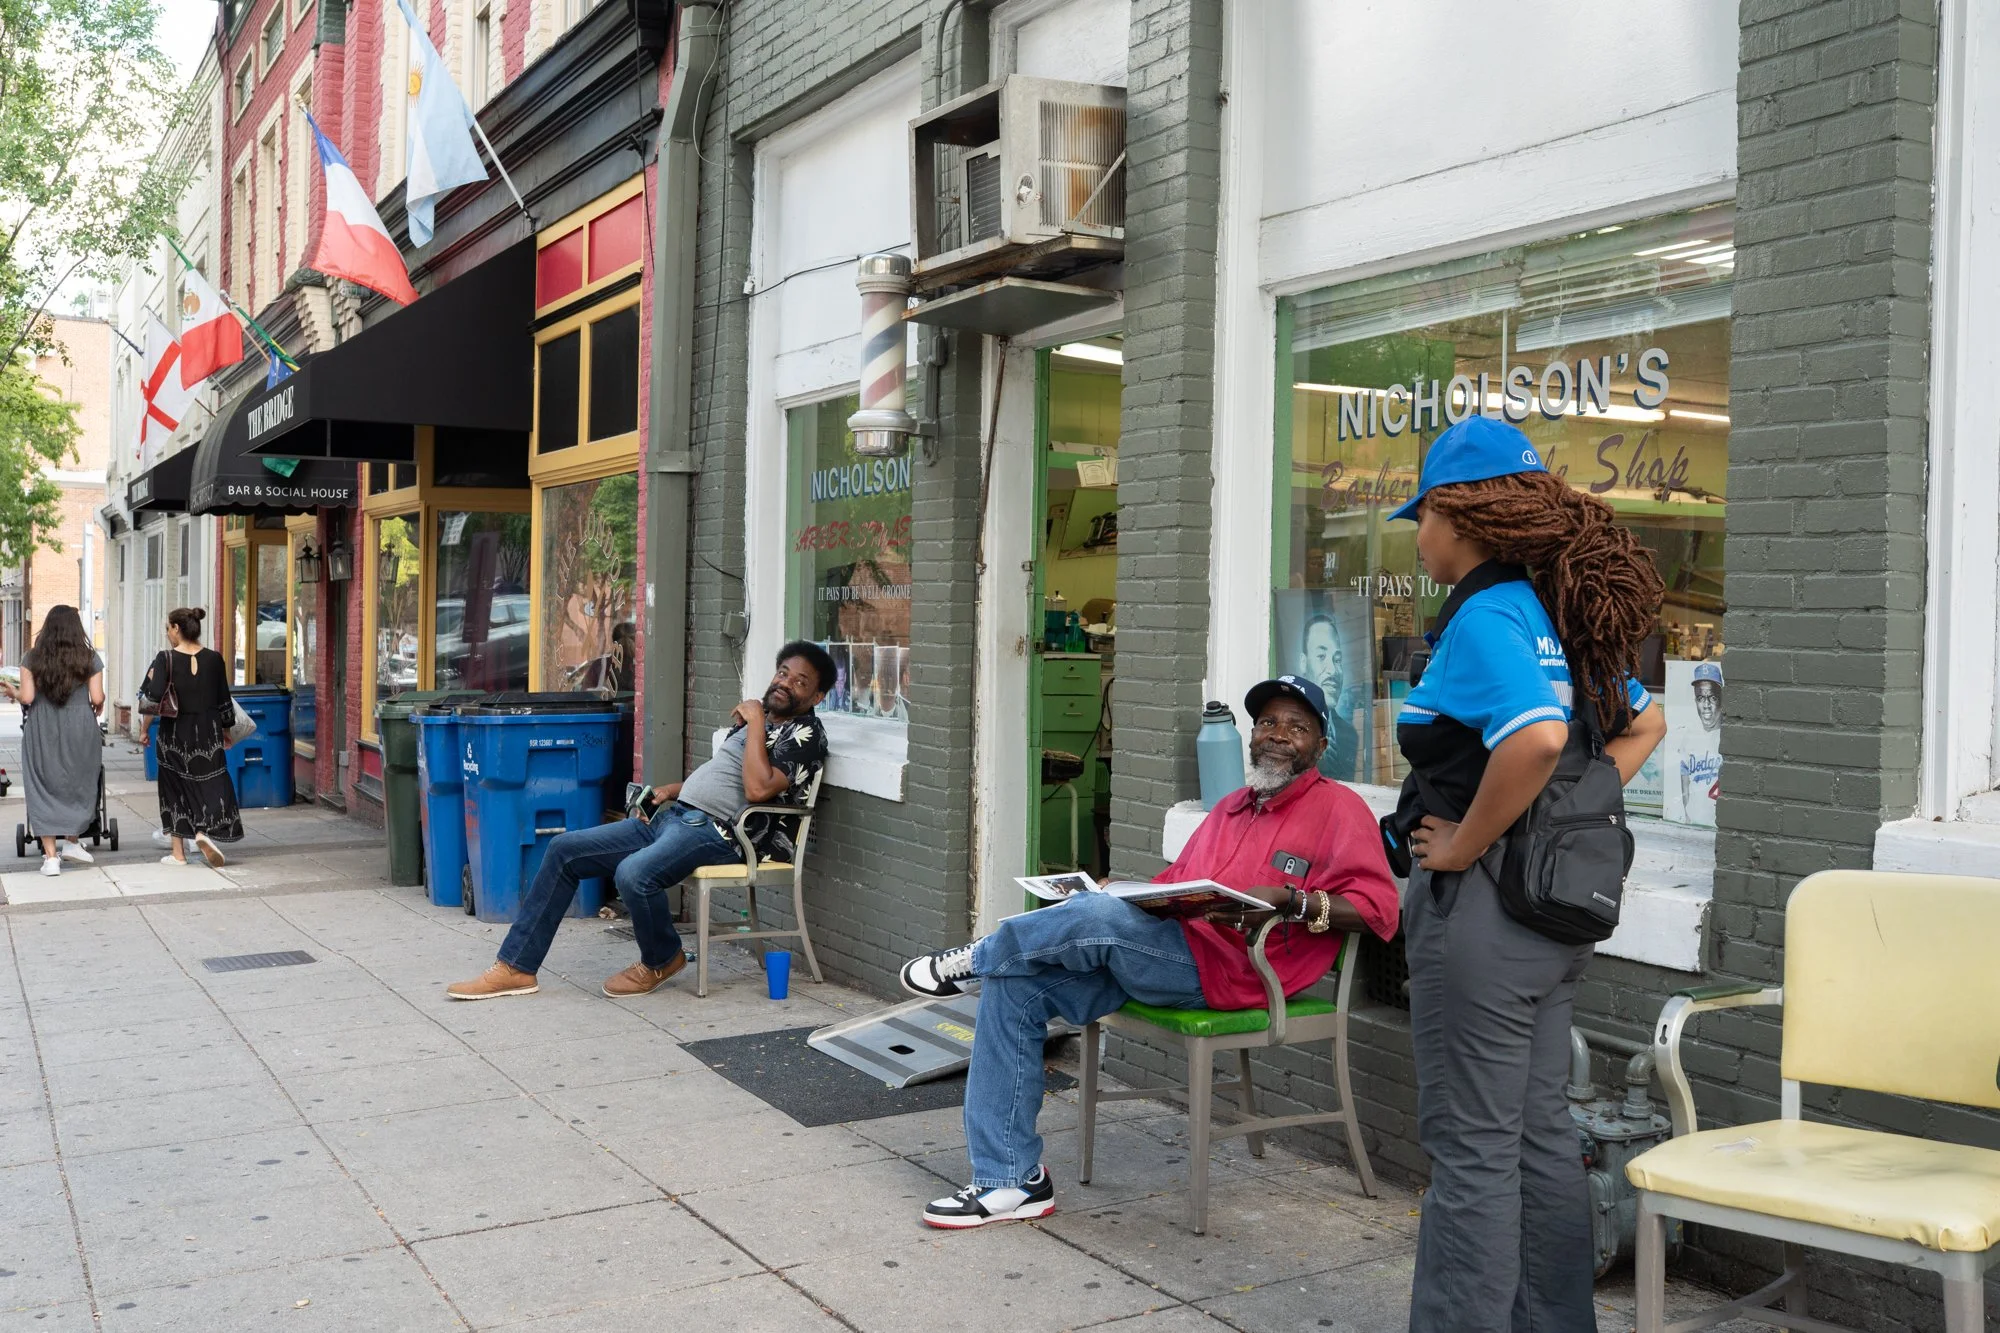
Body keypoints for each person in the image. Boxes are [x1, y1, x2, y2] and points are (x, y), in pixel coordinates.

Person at [898, 677, 1399, 1228]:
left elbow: (1378, 913)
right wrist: (1125, 892)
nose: (1279, 735)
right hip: (1167, 955)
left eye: (1297, 727)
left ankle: (979, 955)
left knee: (1094, 920)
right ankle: (1011, 1182)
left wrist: (1290, 900)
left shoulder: (1339, 809)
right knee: (1016, 988)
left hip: (1238, 974)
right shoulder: (1231, 806)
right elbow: (1176, 887)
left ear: (1320, 746)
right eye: (1268, 723)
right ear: (1252, 735)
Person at [1384, 416, 1666, 1332]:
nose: (1415, 533)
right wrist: (1555, 819)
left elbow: (1540, 739)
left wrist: (1467, 843)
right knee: (1541, 1136)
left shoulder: (1489, 613)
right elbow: (1641, 725)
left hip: (1485, 922)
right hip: (1548, 926)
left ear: (1460, 514)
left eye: (1419, 513)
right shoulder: (1561, 614)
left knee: (1471, 1149)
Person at [448, 641, 835, 1001]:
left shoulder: (807, 734)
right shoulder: (762, 719)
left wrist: (754, 722)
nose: (786, 683)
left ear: (816, 697)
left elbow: (757, 788)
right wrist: (671, 790)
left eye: (800, 681)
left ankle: (662, 958)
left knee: (634, 874)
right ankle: (516, 967)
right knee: (565, 849)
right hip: (678, 817)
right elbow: (725, 776)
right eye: (783, 672)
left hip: (722, 833)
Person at [0, 606, 105, 876]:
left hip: (43, 725)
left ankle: (50, 858)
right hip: (81, 725)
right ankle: (71, 840)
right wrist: (97, 706)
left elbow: (28, 698)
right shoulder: (89, 658)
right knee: (79, 782)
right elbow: (97, 698)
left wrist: (13, 691)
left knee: (43, 784)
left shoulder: (32, 658)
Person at [140, 608, 243, 868]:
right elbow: (224, 700)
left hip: (174, 733)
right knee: (210, 784)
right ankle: (202, 832)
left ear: (176, 628)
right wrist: (226, 731)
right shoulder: (214, 659)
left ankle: (178, 854)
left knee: (174, 789)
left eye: (168, 628)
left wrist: (144, 729)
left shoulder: (165, 659)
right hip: (208, 733)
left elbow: (151, 699)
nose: (167, 634)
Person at [1299, 612, 1360, 780]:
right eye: (1321, 656)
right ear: (1303, 663)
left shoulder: (1349, 735)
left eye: (1337, 659)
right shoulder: (1288, 729)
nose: (1333, 670)